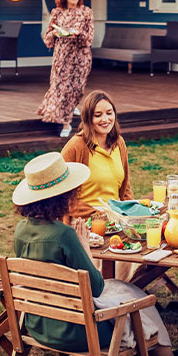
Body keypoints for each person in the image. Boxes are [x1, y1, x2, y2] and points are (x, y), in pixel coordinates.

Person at [11, 152, 178, 356]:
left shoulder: (20, 231)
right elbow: (95, 287)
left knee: (124, 289)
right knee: (134, 299)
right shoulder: (64, 235)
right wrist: (83, 247)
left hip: (39, 324)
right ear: (62, 197)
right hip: (79, 331)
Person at [60, 90, 135, 276]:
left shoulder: (119, 143)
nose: (105, 119)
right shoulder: (76, 147)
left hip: (116, 221)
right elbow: (60, 194)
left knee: (145, 245)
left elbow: (125, 188)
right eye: (98, 115)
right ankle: (109, 294)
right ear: (87, 118)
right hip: (84, 224)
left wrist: (132, 212)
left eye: (109, 113)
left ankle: (122, 291)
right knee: (118, 258)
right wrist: (95, 215)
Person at [38, 0, 94, 138]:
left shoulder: (86, 12)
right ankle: (65, 123)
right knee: (61, 88)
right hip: (62, 56)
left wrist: (78, 34)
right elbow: (47, 37)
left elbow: (89, 38)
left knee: (76, 89)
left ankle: (70, 107)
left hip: (81, 57)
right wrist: (55, 34)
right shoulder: (57, 13)